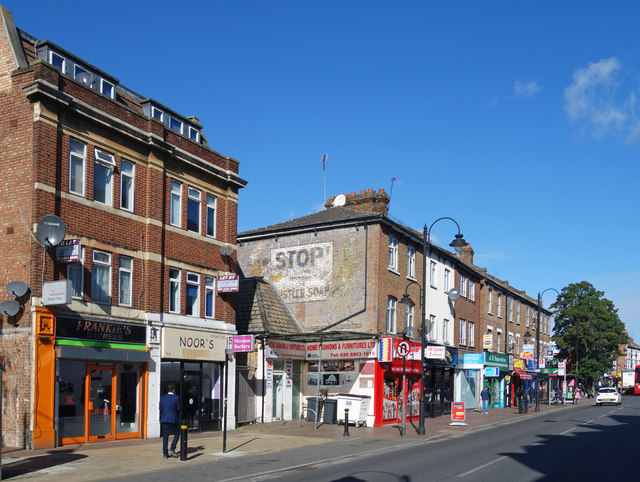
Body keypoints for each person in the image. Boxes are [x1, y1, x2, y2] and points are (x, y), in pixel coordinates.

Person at [159, 384, 182, 459]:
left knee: (165, 436)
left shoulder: (162, 398)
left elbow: (160, 408)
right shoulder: (176, 398)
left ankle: (165, 454)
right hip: (173, 419)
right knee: (177, 433)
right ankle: (172, 448)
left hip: (164, 419)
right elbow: (179, 408)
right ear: (173, 390)